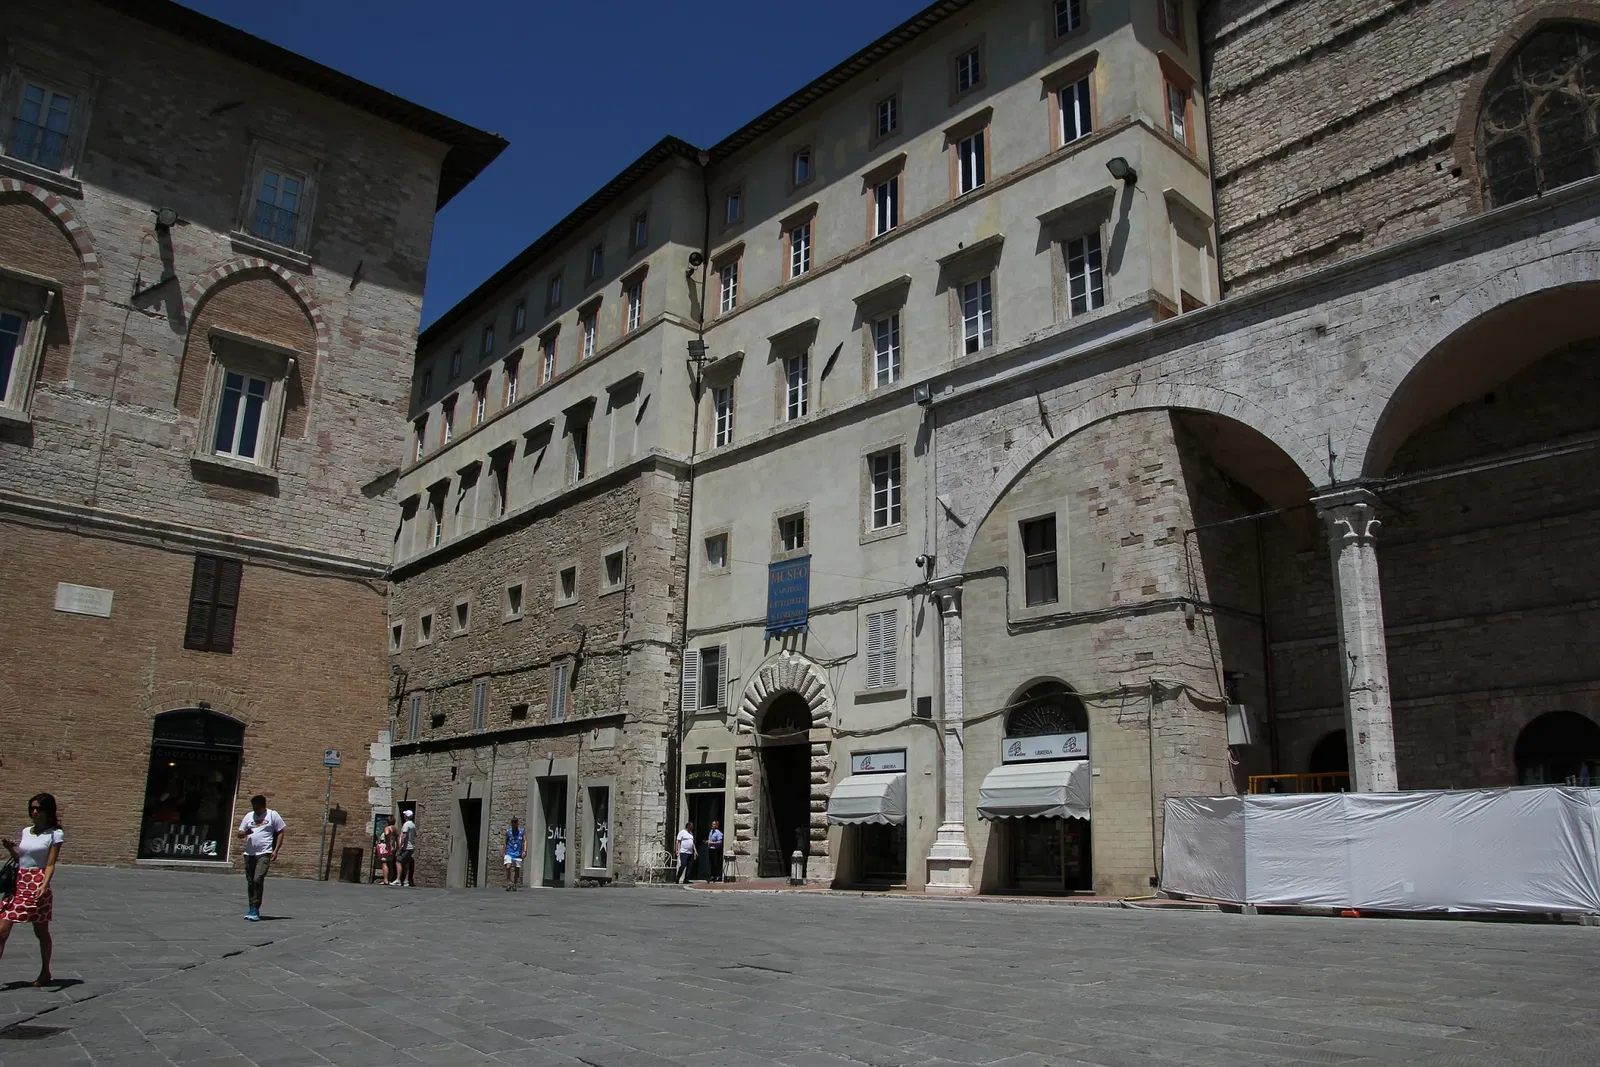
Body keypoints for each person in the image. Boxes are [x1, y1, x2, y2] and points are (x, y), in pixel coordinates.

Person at [0, 793, 64, 986]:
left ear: (48, 811)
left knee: (41, 932)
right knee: (1, 930)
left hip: (37, 884)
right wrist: (10, 849)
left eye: (39, 809)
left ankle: (45, 972)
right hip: (18, 883)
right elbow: (22, 859)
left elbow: (50, 863)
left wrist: (44, 885)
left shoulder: (55, 834)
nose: (34, 812)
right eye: (32, 808)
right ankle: (45, 972)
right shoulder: (26, 831)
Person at [235, 795, 285, 921]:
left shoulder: (272, 815)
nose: (255, 810)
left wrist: (276, 850)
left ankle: (255, 908)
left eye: (257, 807)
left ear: (263, 805)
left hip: (264, 853)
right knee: (251, 881)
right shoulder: (248, 816)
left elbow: (280, 832)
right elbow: (239, 834)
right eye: (254, 807)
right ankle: (251, 908)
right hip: (249, 854)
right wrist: (246, 832)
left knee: (258, 878)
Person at [503, 817, 525, 891]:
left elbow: (525, 841)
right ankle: (509, 882)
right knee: (508, 867)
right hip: (509, 852)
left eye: (515, 822)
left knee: (517, 869)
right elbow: (505, 842)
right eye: (513, 822)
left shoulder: (522, 831)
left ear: (517, 823)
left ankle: (515, 884)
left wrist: (524, 851)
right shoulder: (508, 832)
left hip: (518, 853)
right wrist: (503, 851)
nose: (514, 823)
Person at [396, 809, 416, 887]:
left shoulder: (406, 824)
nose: (403, 816)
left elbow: (404, 835)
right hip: (411, 847)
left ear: (406, 816)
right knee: (407, 863)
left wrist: (400, 846)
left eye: (404, 815)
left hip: (406, 847)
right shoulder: (413, 825)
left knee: (398, 861)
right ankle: (406, 881)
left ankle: (398, 879)